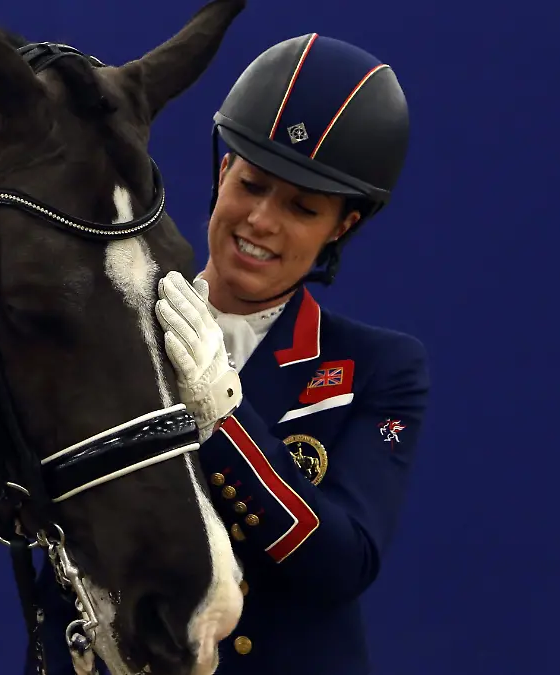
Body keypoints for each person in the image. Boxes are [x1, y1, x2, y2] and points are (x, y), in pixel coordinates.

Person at [29, 32, 430, 675]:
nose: (261, 220)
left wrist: (223, 422)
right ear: (223, 172)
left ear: (342, 227)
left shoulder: (378, 370)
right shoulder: (117, 325)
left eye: (302, 207)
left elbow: (341, 564)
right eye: (251, 184)